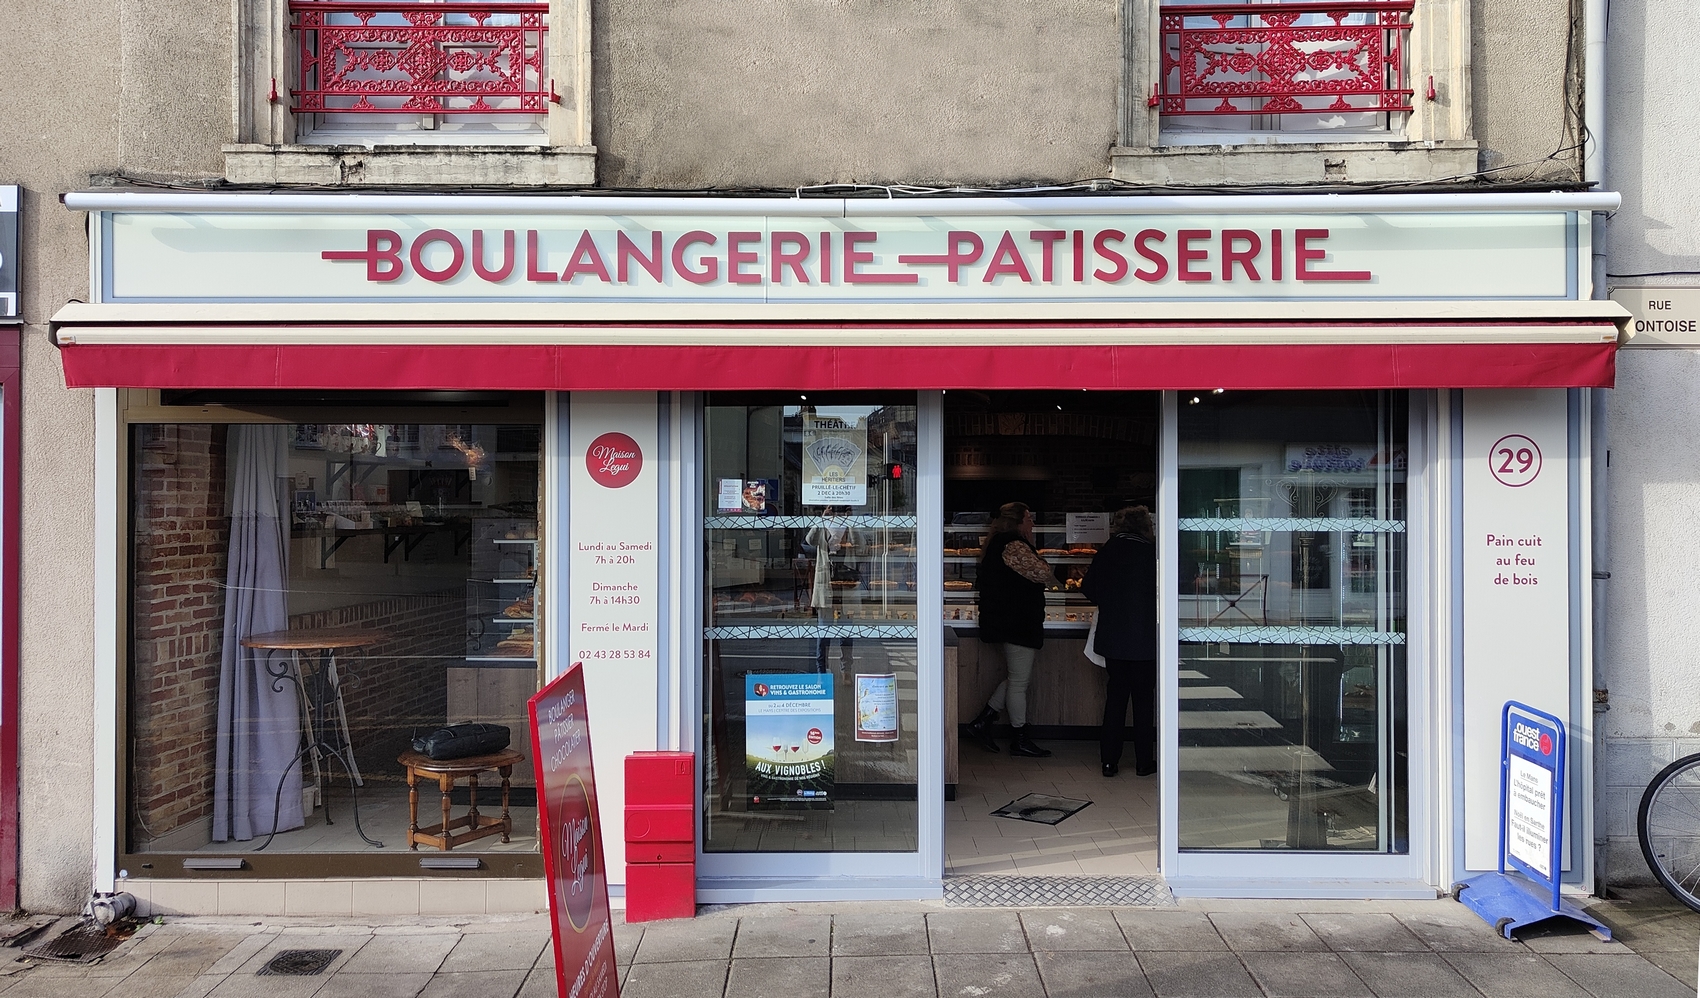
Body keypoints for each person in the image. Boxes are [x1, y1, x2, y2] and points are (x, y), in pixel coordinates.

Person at [964, 502, 1056, 758]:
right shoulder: (1013, 545)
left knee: (1016, 677)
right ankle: (1019, 737)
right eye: (1029, 518)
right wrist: (1041, 557)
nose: (1032, 523)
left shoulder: (1000, 542)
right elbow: (1043, 573)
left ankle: (983, 721)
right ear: (1018, 521)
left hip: (1006, 620)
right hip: (1017, 621)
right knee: (1019, 682)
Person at [1081, 505, 1158, 777]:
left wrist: (1111, 602)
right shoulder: (1153, 553)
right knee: (1144, 701)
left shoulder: (1109, 550)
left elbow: (1088, 588)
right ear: (1146, 526)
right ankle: (1143, 761)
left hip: (1114, 637)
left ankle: (1109, 762)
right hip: (1146, 638)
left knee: (1115, 699)